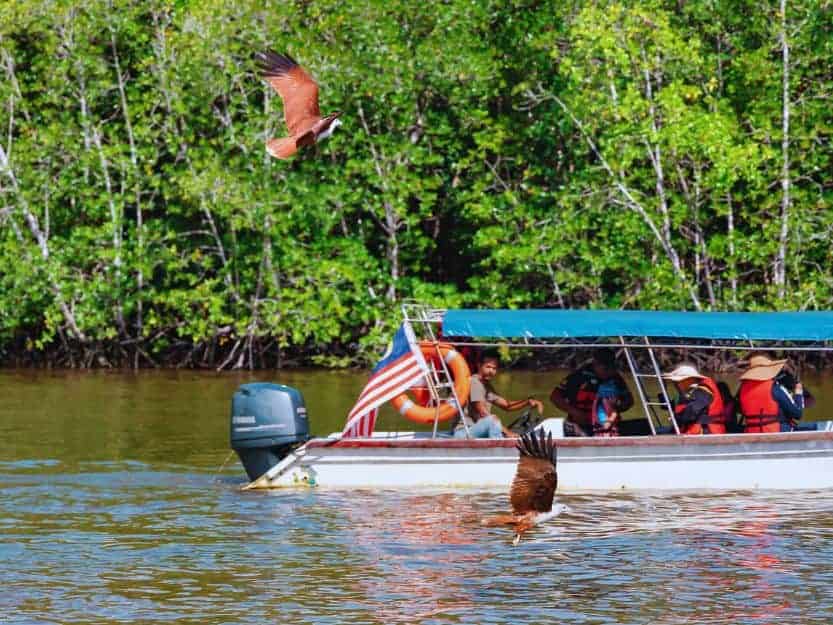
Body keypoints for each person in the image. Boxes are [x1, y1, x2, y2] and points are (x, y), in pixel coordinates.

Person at [453, 350, 544, 439]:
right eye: (488, 367)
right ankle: (499, 449)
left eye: (494, 368)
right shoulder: (475, 382)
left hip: (477, 430)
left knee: (494, 421)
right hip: (464, 432)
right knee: (493, 419)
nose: (491, 371)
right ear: (479, 366)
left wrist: (528, 401)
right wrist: (508, 433)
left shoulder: (486, 385)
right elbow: (483, 413)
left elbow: (507, 405)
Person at [549, 349, 633, 436]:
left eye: (612, 369)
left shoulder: (616, 378)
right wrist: (574, 412)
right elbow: (555, 396)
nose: (608, 372)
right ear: (595, 364)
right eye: (605, 369)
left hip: (608, 425)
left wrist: (617, 404)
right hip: (580, 425)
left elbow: (629, 401)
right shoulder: (578, 376)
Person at [738, 354, 806, 433]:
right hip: (775, 433)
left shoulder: (743, 389)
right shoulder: (775, 387)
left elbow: (742, 410)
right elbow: (797, 414)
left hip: (751, 432)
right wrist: (798, 393)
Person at [662, 363, 728, 435]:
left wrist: (677, 417)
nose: (676, 384)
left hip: (707, 433)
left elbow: (692, 412)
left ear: (689, 380)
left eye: (678, 382)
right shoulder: (693, 392)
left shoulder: (702, 392)